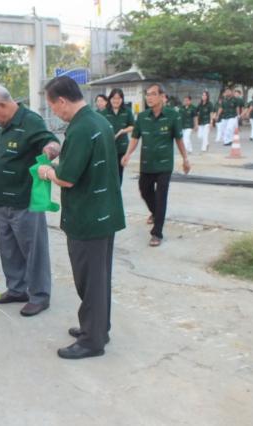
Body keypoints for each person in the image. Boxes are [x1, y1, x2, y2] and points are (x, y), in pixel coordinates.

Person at [36, 76, 125, 359]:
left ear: (62, 101)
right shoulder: (100, 121)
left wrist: (47, 172)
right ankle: (98, 328)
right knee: (100, 278)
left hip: (87, 217)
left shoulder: (80, 128)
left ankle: (91, 341)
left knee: (89, 280)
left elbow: (67, 178)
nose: (55, 113)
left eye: (53, 107)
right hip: (105, 212)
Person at [0, 84, 61, 317]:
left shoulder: (31, 121)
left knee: (33, 250)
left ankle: (40, 296)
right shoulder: (5, 124)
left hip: (23, 199)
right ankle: (17, 289)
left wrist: (48, 152)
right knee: (8, 249)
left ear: (4, 105)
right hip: (1, 198)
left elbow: (51, 142)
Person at [121, 83, 191, 247]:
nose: (149, 97)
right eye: (147, 94)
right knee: (144, 190)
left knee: (161, 197)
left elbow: (179, 139)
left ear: (162, 97)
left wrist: (185, 159)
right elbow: (135, 138)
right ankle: (155, 212)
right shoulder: (142, 117)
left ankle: (157, 233)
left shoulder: (173, 116)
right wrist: (128, 154)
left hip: (164, 165)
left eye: (153, 94)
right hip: (147, 164)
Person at [101, 88, 134, 182]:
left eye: (118, 98)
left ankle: (117, 190)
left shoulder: (127, 111)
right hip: (108, 148)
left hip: (122, 148)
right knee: (108, 172)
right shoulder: (104, 112)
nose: (116, 101)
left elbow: (133, 126)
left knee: (119, 173)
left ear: (122, 99)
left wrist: (123, 131)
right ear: (110, 99)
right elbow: (100, 128)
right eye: (114, 98)